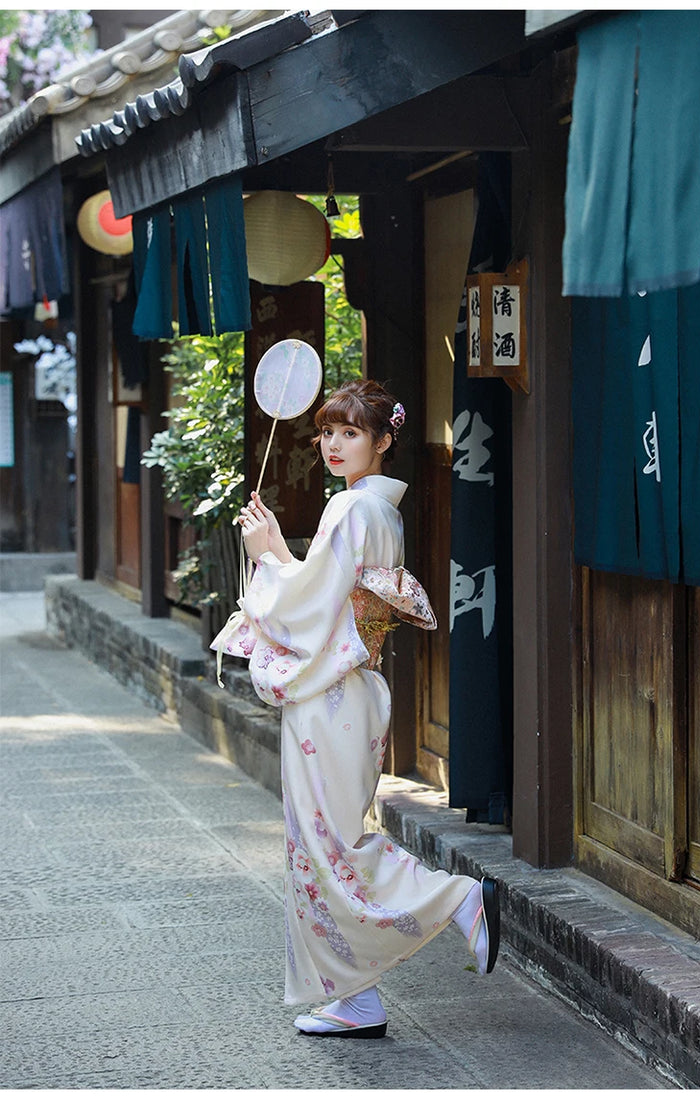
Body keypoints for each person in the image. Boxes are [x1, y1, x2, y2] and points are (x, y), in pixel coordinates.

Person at [213, 378, 500, 1038]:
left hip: (331, 697)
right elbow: (327, 600)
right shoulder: (376, 510)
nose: (335, 445)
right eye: (327, 432)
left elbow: (308, 606)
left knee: (330, 844)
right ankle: (355, 994)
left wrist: (269, 557)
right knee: (325, 843)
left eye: (350, 433)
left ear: (385, 440)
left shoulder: (353, 513)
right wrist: (282, 556)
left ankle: (454, 900)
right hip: (350, 690)